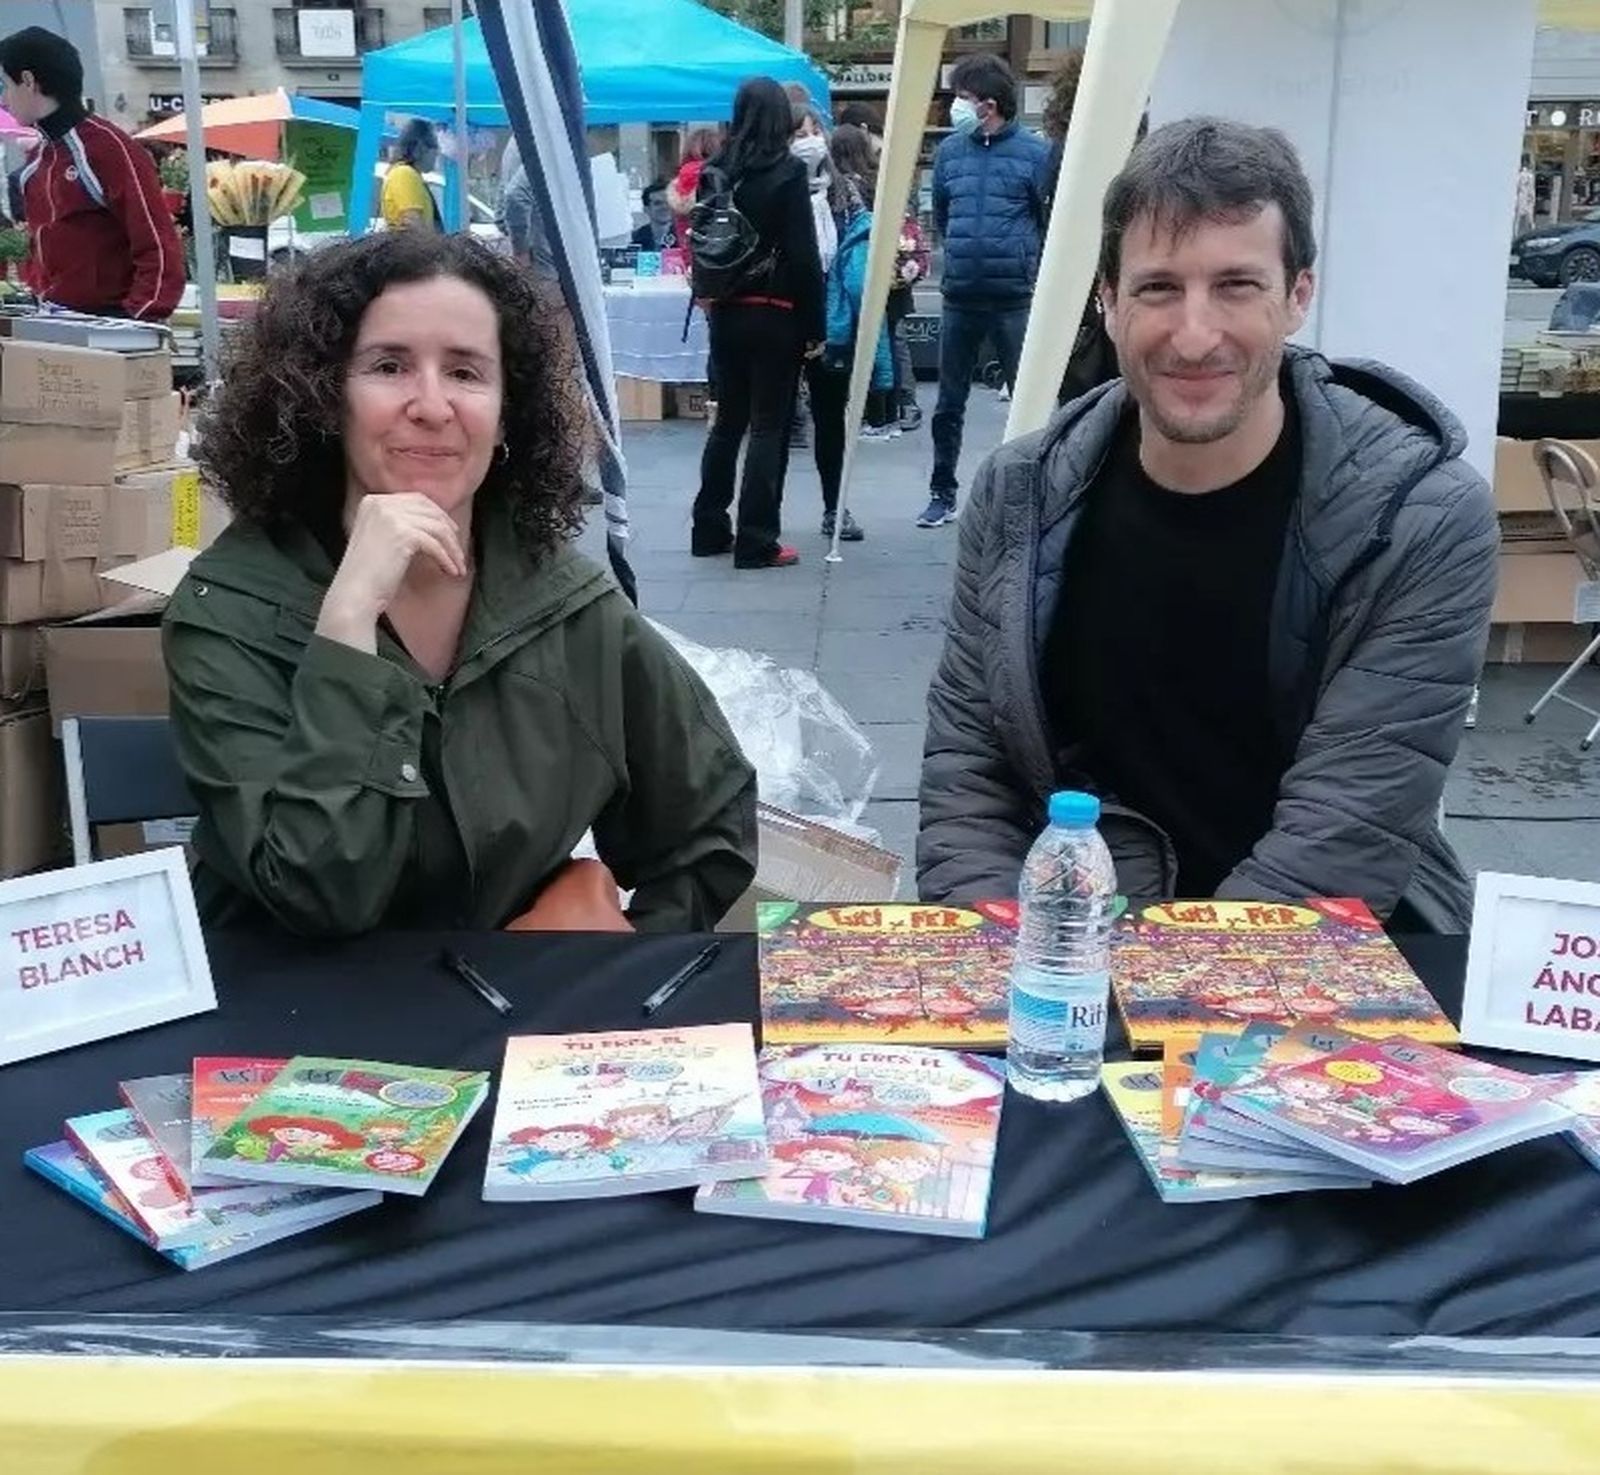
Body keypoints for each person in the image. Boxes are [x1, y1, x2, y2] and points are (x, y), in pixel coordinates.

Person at [917, 118, 1497, 932]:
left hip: (1331, 962)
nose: (1195, 335)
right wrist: (1017, 968)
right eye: (1159, 288)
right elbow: (968, 779)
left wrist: (1156, 1007)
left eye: (1236, 286)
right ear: (1110, 302)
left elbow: (1345, 831)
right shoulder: (1020, 494)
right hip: (1073, 946)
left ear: (1298, 296)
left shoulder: (1422, 519)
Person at [164, 230, 757, 937]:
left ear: (508, 409)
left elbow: (710, 822)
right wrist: (348, 625)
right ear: (324, 394)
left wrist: (615, 959)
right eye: (389, 366)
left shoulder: (563, 603)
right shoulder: (228, 610)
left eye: (467, 373)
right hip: (289, 1023)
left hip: (505, 1020)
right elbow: (316, 892)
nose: (433, 405)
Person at [690, 77, 824, 571]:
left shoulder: (715, 170)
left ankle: (708, 528)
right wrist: (815, 325)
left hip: (725, 308)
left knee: (727, 422)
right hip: (776, 310)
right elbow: (804, 256)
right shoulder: (787, 172)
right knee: (769, 426)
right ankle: (756, 538)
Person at [918, 53, 1051, 529]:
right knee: (948, 403)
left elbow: (1045, 218)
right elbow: (944, 214)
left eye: (962, 97)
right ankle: (941, 490)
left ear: (988, 104)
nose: (955, 105)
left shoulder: (1036, 154)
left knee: (1029, 404)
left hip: (1013, 295)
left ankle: (1035, 495)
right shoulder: (952, 152)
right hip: (960, 294)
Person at [0, 26, 182, 320]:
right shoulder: (37, 162)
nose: (5, 101)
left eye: (6, 85)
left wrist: (136, 320)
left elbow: (158, 243)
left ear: (29, 81)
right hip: (55, 322)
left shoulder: (108, 147)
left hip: (110, 326)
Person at [800, 123, 888, 545]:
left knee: (830, 416)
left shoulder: (845, 193)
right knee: (774, 422)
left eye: (814, 129)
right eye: (800, 131)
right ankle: (757, 518)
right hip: (785, 315)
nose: (810, 138)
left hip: (829, 320)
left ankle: (835, 505)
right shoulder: (775, 182)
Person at [382, 119, 441, 232]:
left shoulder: (409, 174)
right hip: (414, 249)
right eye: (436, 148)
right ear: (422, 147)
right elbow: (413, 223)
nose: (437, 155)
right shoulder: (404, 174)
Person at [631, 181, 678, 251]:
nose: (665, 207)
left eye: (668, 202)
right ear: (646, 209)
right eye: (658, 203)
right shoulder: (634, 239)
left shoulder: (686, 238)